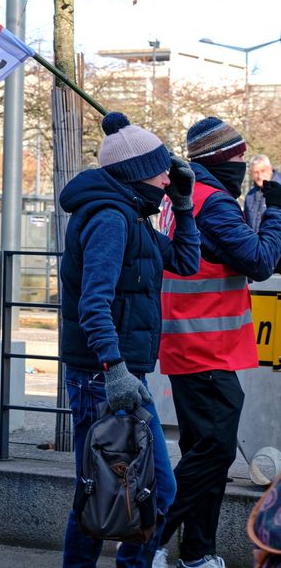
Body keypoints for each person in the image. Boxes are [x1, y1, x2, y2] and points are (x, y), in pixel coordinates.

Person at [59, 112, 200, 568]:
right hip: (104, 375)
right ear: (138, 173)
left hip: (119, 374)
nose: (167, 176)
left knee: (126, 489)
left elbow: (185, 261)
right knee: (114, 489)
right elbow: (93, 303)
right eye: (161, 170)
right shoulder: (110, 219)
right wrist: (114, 369)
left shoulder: (135, 218)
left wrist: (182, 204)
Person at [155, 118, 281, 568]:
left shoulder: (188, 197)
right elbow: (262, 261)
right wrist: (278, 211)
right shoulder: (214, 203)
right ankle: (150, 540)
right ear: (221, 159)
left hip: (190, 342)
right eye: (239, 156)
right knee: (215, 452)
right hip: (205, 346)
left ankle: (197, 552)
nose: (245, 164)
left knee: (202, 453)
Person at [243, 154, 281, 232]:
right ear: (251, 173)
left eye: (263, 171)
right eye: (256, 172)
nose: (260, 176)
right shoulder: (249, 196)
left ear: (270, 168)